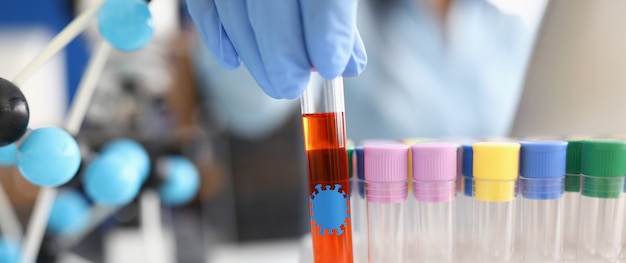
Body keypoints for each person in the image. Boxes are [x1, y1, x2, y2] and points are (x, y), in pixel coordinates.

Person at [185, 0, 537, 141]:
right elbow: (250, 107)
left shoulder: (510, 29)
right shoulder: (342, 14)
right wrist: (263, 31)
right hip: (366, 261)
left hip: (491, 259)